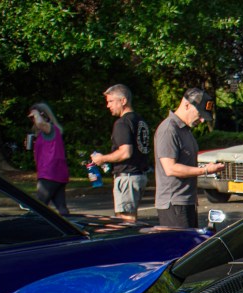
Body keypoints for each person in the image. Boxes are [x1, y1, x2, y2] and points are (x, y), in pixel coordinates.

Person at [153, 87, 224, 229]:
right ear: (186, 105)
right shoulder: (168, 129)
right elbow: (170, 169)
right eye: (200, 114)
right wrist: (205, 170)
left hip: (186, 201)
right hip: (173, 204)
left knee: (191, 241)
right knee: (180, 243)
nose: (202, 120)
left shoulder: (185, 130)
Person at [89, 85, 150, 222]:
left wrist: (102, 158)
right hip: (139, 175)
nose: (108, 106)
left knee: (125, 221)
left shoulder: (122, 123)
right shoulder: (140, 121)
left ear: (123, 101)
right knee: (130, 218)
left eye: (111, 101)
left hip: (127, 177)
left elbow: (125, 152)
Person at [27, 103, 70, 216]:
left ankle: (30, 227)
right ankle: (70, 226)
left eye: (33, 117)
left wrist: (36, 112)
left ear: (43, 115)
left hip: (49, 174)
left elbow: (40, 123)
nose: (33, 120)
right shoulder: (48, 132)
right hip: (58, 174)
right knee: (62, 209)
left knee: (37, 208)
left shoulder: (50, 128)